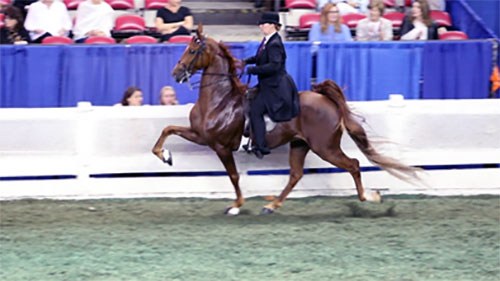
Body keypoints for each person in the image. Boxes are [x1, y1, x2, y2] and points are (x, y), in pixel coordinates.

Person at [242, 12, 300, 159]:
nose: (261, 26)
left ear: (273, 25)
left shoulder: (274, 44)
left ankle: (261, 146)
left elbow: (274, 66)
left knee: (256, 110)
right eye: (261, 24)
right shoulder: (268, 40)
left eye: (264, 24)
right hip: (268, 83)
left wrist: (253, 69)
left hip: (275, 86)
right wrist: (246, 61)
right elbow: (261, 58)